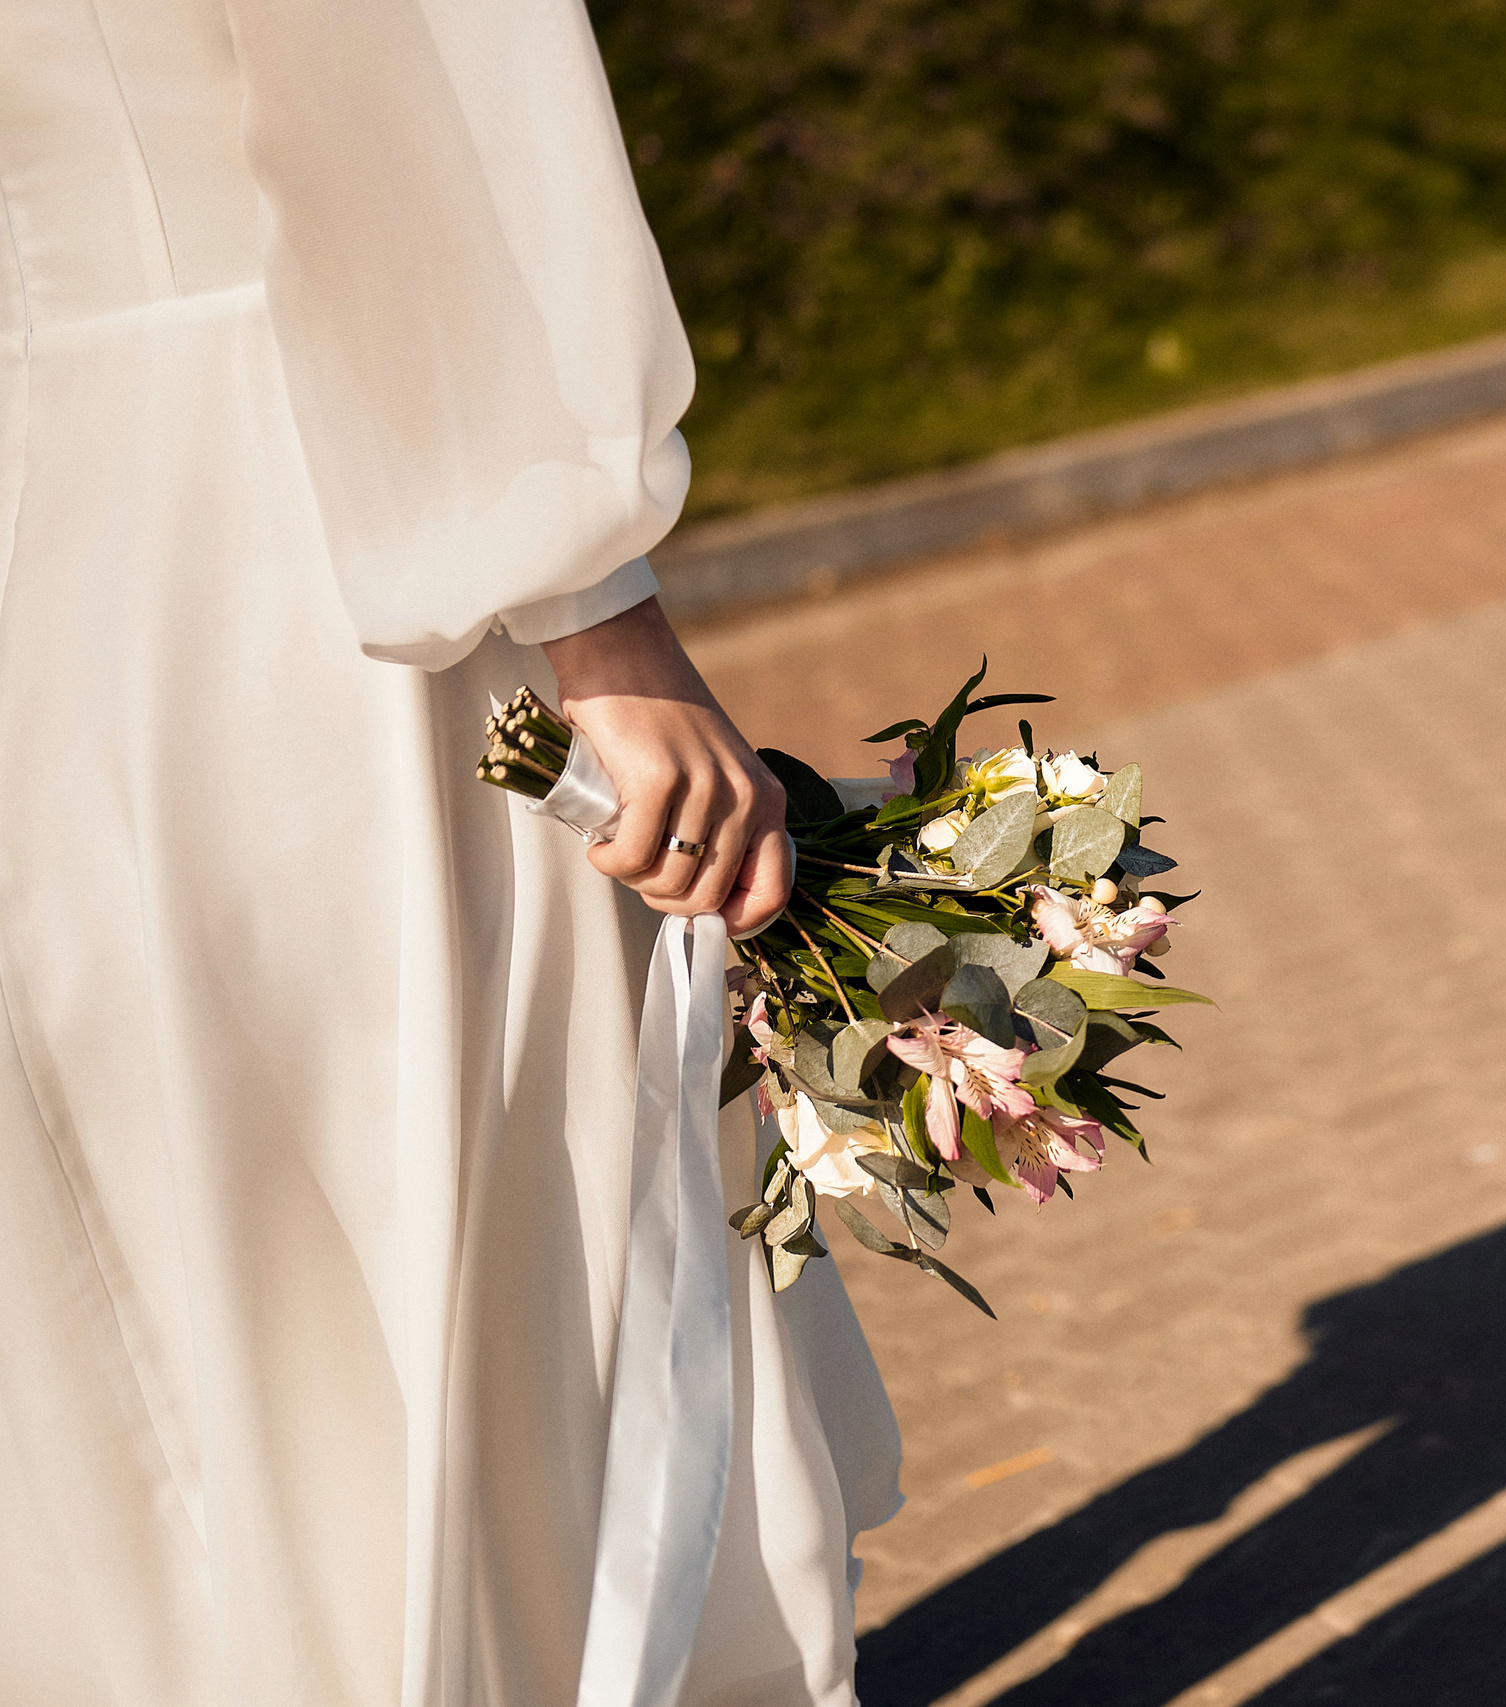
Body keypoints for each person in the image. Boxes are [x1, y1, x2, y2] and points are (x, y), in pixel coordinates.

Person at [0, 2, 900, 1702]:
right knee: (492, 1281)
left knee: (185, 1335)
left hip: (45, 606)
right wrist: (599, 624)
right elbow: (413, 103)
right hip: (299, 573)